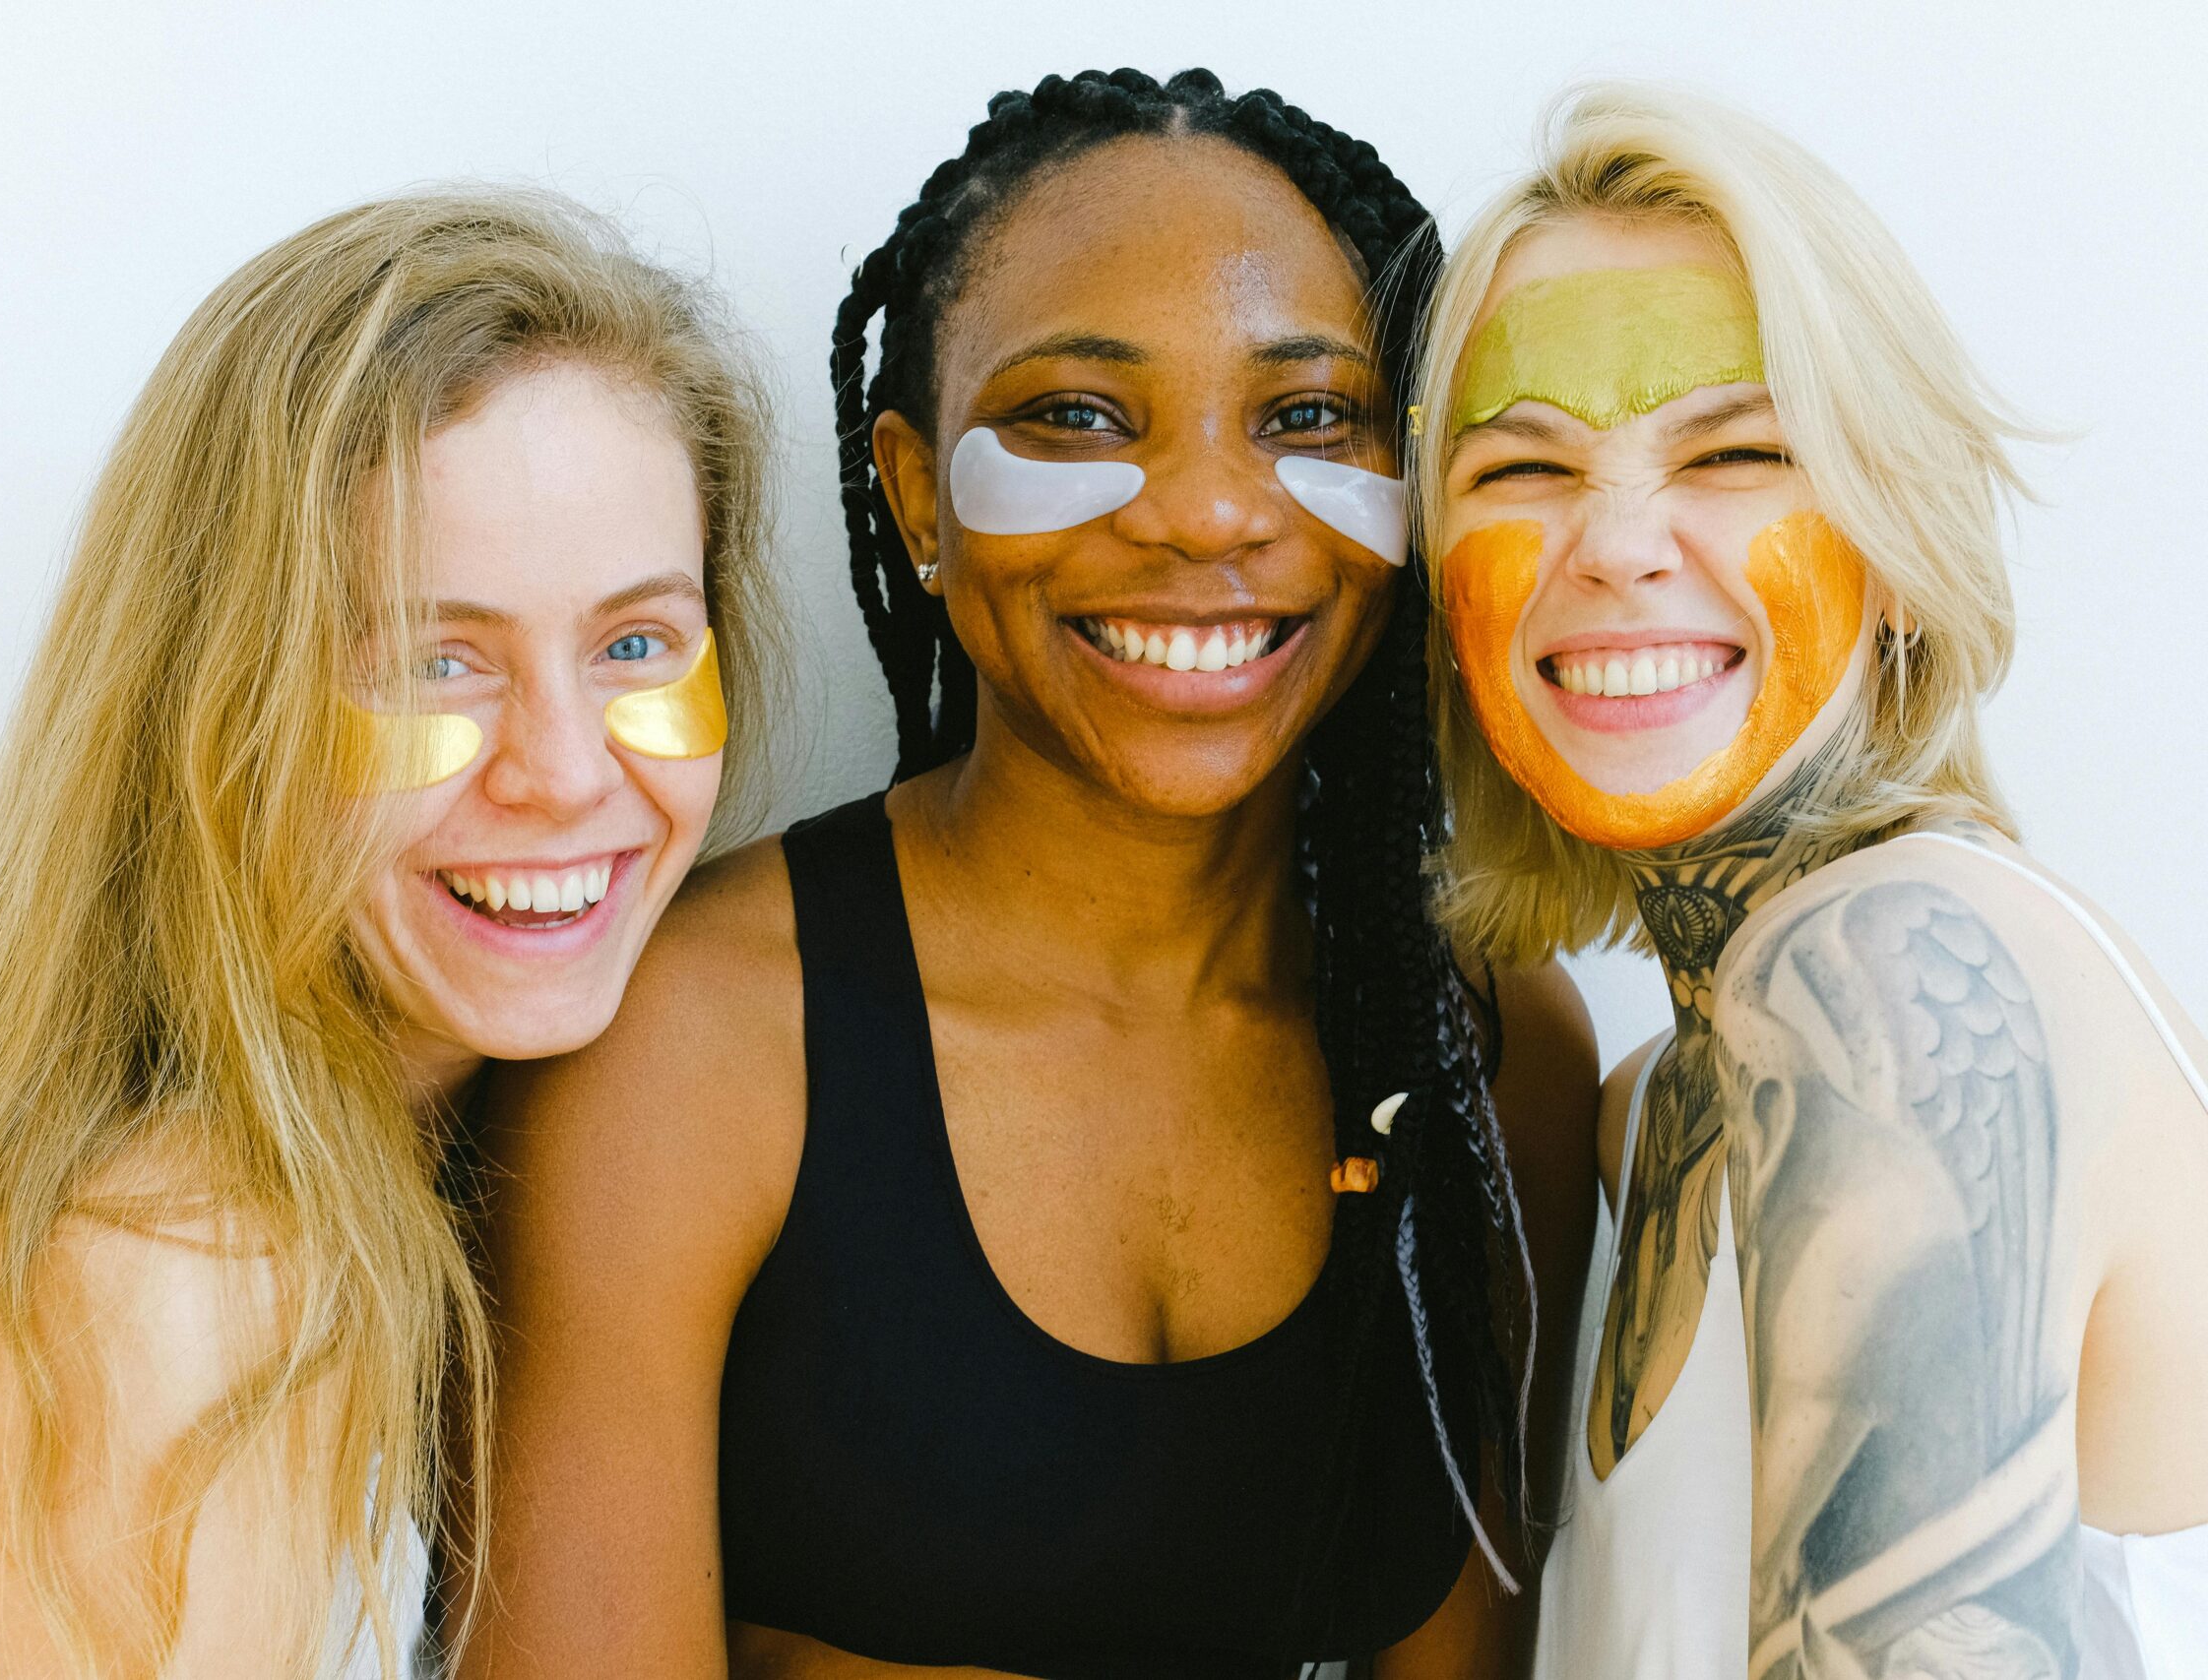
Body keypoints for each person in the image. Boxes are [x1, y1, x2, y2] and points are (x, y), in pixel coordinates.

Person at [467, 68, 1600, 1679]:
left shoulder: (1494, 1053)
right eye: (1079, 415)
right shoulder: (691, 1051)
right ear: (917, 489)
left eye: (1307, 418)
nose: (1211, 511)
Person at [0, 186, 783, 1679]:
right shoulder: (184, 1274)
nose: (570, 770)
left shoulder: (376, 1196)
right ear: (219, 709)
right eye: (432, 660)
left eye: (635, 644)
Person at [1417, 83, 2208, 1679]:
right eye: (1519, 471)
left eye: (1739, 449)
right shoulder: (1649, 1105)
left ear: (1899, 543)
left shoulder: (1892, 968)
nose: (1620, 541)